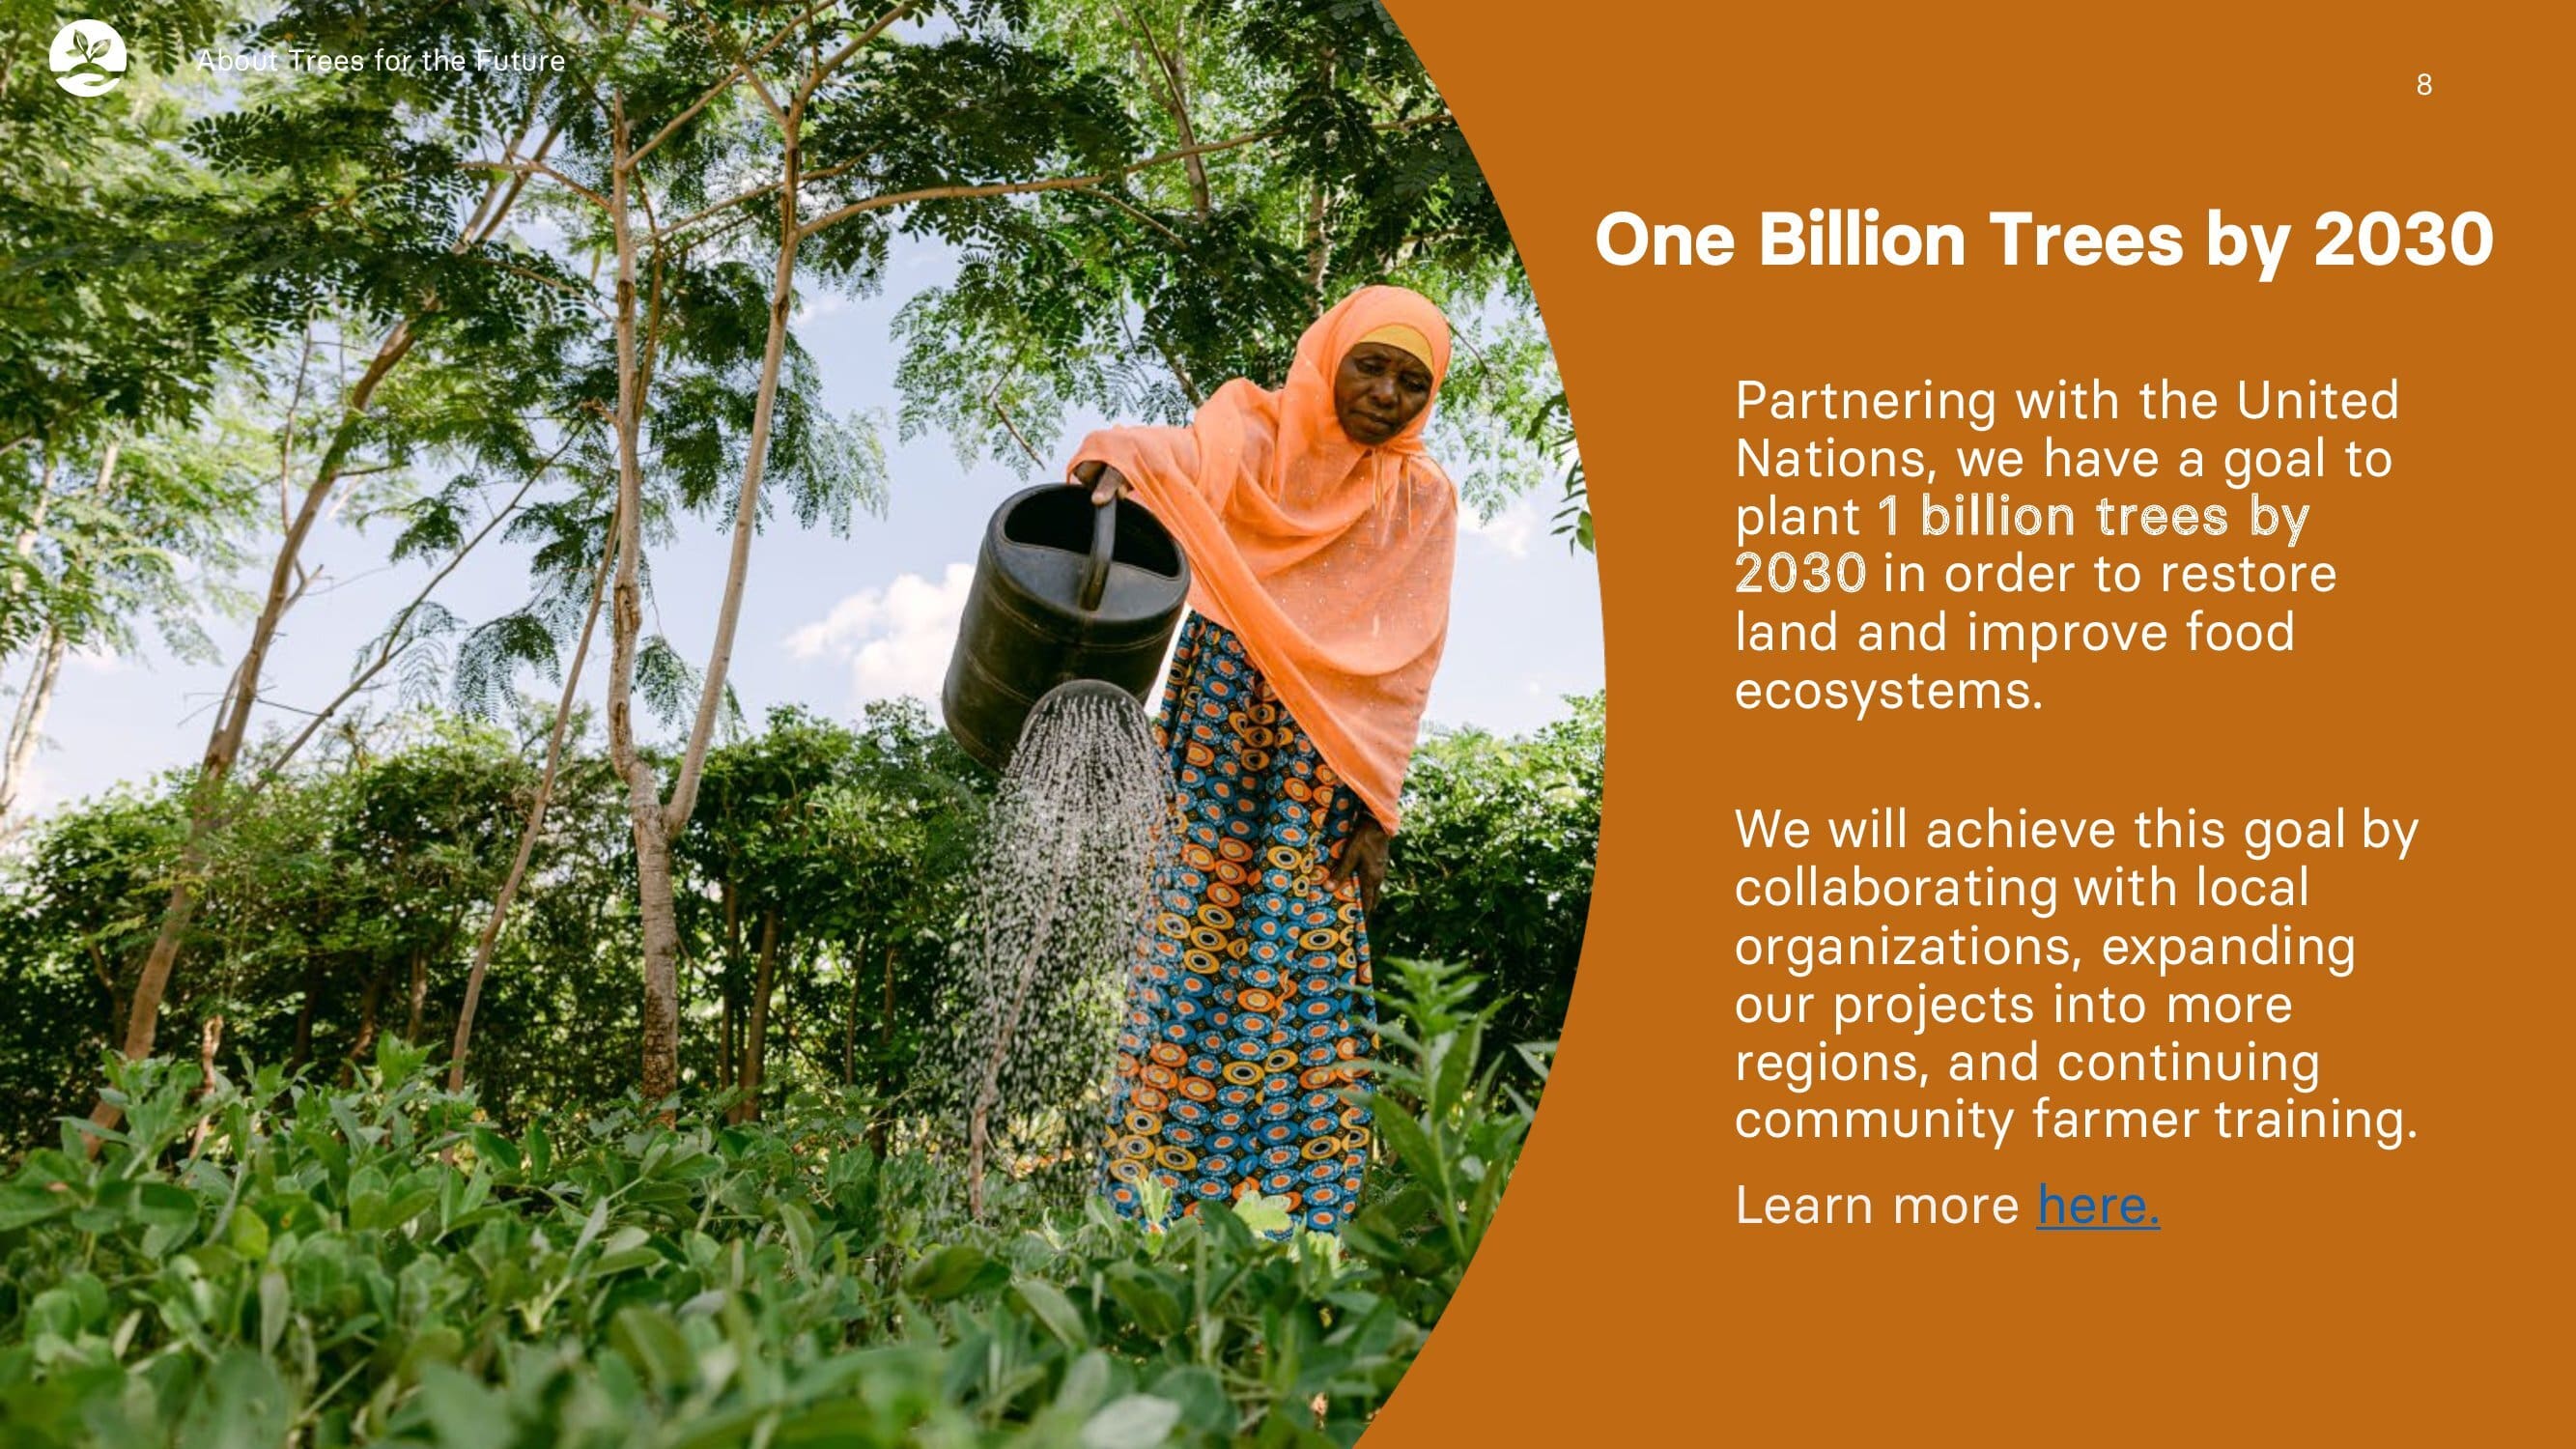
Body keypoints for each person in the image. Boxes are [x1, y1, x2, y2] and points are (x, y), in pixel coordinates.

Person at [1068, 284, 1458, 1235]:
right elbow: (1172, 455)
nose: (1388, 394)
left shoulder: (1420, 499)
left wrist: (1379, 809)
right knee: (1185, 950)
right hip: (1218, 720)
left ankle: (1292, 1230)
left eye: (1413, 381)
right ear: (1329, 361)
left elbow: (1409, 661)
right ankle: (1148, 1220)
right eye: (1371, 366)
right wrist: (1112, 460)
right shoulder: (1253, 434)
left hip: (1322, 763)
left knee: (1303, 968)